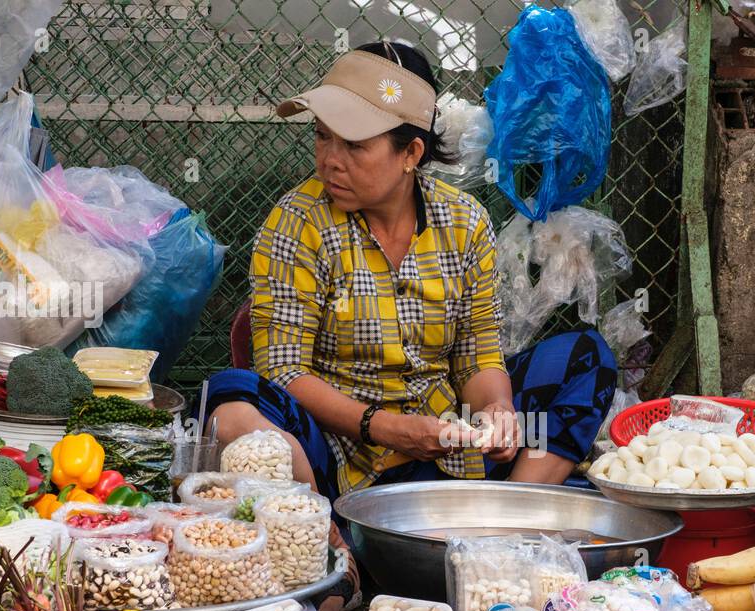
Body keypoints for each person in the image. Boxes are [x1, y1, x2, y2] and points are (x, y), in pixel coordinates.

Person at [204, 41, 618, 512]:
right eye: (322, 136)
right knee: (232, 400)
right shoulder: (297, 222)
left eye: (354, 144)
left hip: (446, 446)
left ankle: (503, 519)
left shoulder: (464, 222)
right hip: (335, 452)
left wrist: (496, 411)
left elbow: (476, 353)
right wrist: (382, 426)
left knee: (586, 358)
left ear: (411, 152)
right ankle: (326, 536)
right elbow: (284, 370)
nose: (329, 160)